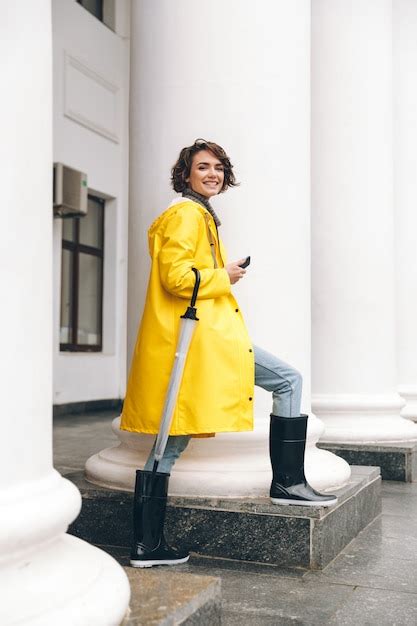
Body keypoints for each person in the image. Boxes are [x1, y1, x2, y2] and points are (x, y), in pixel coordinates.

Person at [120, 139, 337, 568]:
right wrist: (226, 275)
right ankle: (288, 485)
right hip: (203, 343)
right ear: (186, 174)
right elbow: (177, 277)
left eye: (218, 167)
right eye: (203, 167)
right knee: (285, 381)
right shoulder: (186, 213)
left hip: (204, 341)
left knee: (172, 438)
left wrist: (221, 273)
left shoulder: (198, 213)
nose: (213, 174)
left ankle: (148, 545)